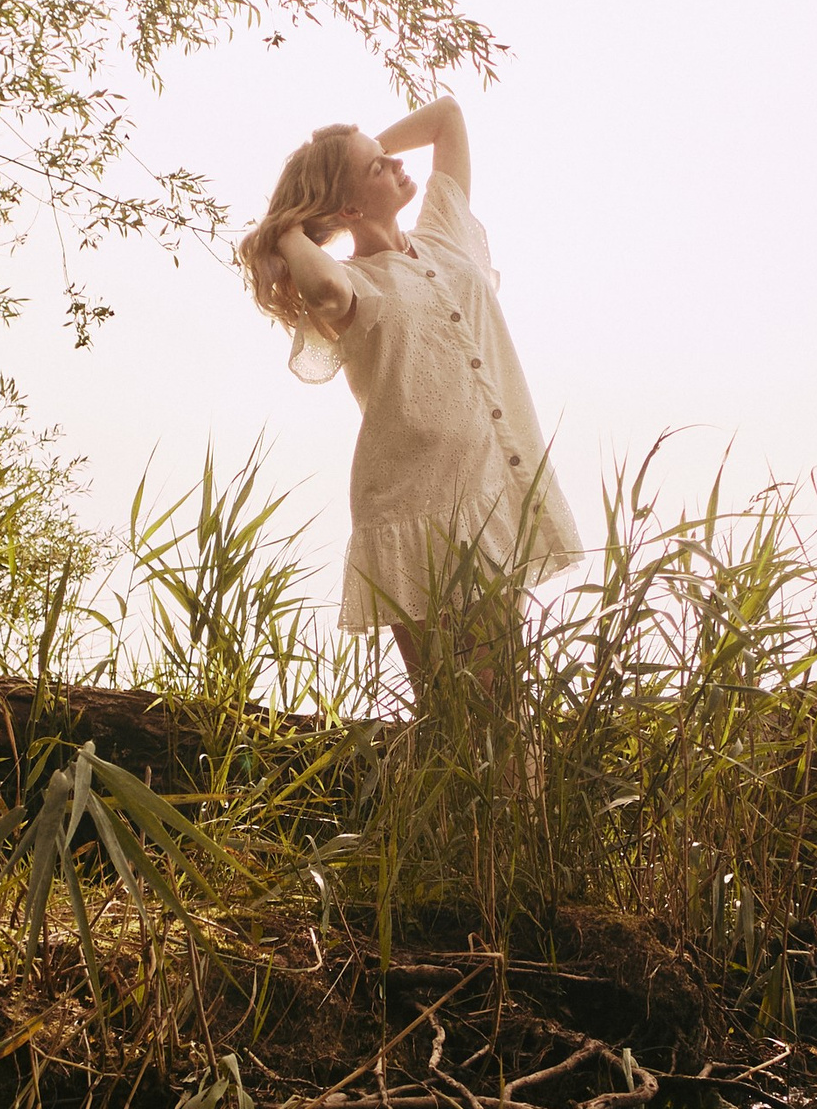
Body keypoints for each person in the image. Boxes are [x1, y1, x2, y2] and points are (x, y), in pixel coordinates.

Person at [238, 97, 581, 684]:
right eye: (378, 167)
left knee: (503, 705)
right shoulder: (353, 281)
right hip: (416, 508)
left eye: (387, 155)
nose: (396, 165)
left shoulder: (445, 234)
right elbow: (321, 290)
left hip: (492, 487)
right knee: (460, 712)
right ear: (347, 205)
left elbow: (447, 115)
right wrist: (287, 227)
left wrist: (362, 152)